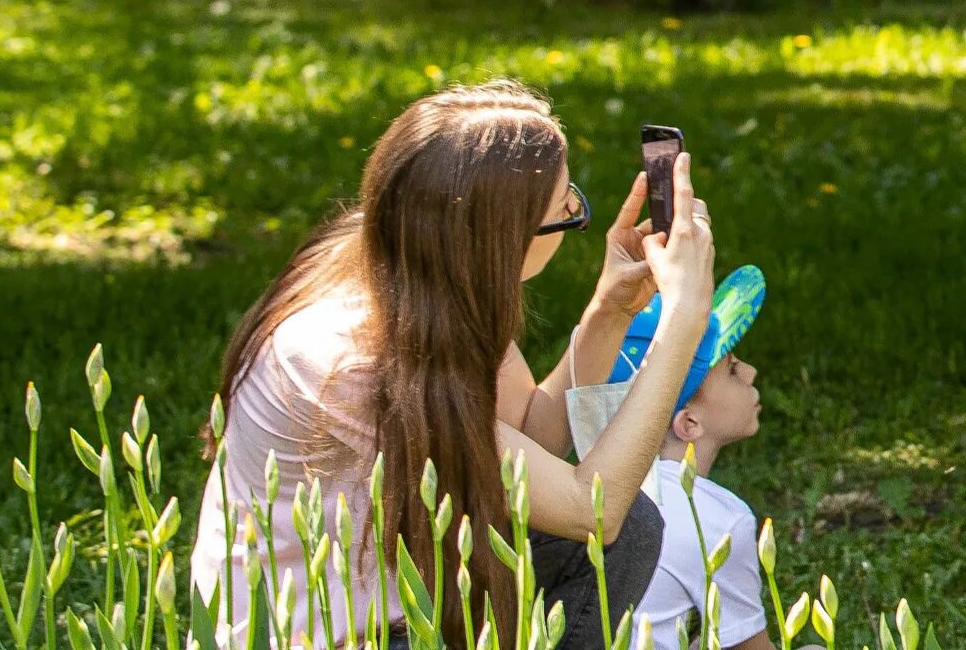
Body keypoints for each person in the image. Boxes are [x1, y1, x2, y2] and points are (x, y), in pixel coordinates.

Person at [192, 82, 719, 650]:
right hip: (333, 629)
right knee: (611, 529)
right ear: (499, 239)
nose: (575, 213)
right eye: (564, 207)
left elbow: (531, 433)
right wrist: (680, 326)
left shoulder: (417, 270)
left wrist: (609, 313)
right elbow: (589, 511)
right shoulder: (349, 361)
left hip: (408, 580)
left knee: (633, 530)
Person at [622, 267, 772, 650]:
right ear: (689, 423)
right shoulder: (721, 519)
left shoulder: (603, 492)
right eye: (733, 369)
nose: (751, 372)